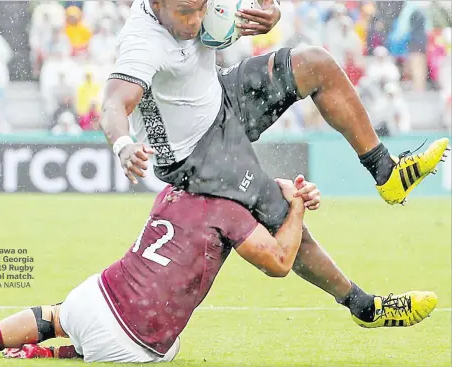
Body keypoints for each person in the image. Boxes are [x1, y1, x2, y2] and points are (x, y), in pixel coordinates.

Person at [99, 0, 448, 330]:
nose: (194, 21)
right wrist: (123, 144)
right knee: (284, 218)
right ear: (156, 4)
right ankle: (365, 307)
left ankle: (387, 172)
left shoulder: (190, 10)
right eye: (185, 12)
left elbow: (256, 9)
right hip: (194, 154)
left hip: (219, 95)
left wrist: (271, 8)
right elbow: (114, 102)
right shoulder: (142, 42)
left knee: (315, 63)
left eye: (201, 8)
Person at [0, 177, 437, 362]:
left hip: (92, 297)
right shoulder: (232, 212)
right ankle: (54, 354)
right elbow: (280, 262)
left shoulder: (175, 189)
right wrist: (297, 207)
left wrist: (282, 190)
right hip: (139, 347)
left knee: (57, 313)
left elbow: (240, 180)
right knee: (151, 345)